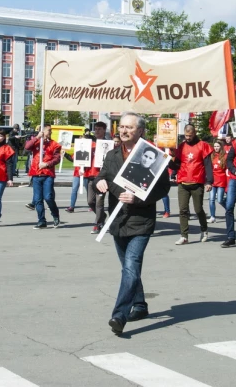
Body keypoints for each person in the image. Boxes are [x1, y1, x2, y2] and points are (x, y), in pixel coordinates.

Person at [94, 112, 170, 335]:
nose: (124, 130)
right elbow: (102, 176)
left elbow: (163, 188)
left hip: (141, 220)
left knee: (131, 266)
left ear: (140, 131)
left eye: (129, 127)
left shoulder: (153, 156)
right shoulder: (112, 154)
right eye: (122, 127)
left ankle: (119, 315)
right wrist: (99, 183)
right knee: (129, 269)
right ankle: (140, 305)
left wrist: (138, 198)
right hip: (118, 220)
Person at [168, 124, 213, 245]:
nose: (187, 138)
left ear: (194, 133)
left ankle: (204, 229)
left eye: (190, 135)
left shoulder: (203, 146)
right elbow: (176, 165)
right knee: (183, 210)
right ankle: (184, 236)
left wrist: (209, 181)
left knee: (198, 209)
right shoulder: (181, 146)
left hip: (197, 182)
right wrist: (168, 159)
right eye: (186, 135)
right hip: (183, 182)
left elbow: (208, 165)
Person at [25, 124, 61, 229]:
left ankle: (55, 214)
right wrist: (37, 137)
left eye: (51, 130)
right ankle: (41, 221)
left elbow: (57, 158)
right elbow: (27, 147)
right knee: (37, 199)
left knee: (48, 197)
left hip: (48, 174)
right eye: (49, 130)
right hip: (36, 173)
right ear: (43, 131)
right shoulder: (37, 141)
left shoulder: (54, 144)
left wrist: (47, 164)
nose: (51, 132)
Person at [85, 121, 109, 234]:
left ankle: (97, 224)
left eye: (99, 129)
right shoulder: (90, 144)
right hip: (90, 175)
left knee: (99, 202)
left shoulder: (108, 144)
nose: (97, 131)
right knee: (90, 202)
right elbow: (80, 157)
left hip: (101, 177)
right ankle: (102, 216)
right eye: (96, 129)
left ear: (104, 130)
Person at [208, 140, 227, 223]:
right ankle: (212, 216)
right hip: (213, 181)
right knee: (211, 199)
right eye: (215, 146)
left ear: (221, 147)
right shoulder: (211, 156)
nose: (216, 148)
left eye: (218, 146)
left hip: (221, 180)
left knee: (220, 200)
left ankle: (229, 210)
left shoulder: (225, 156)